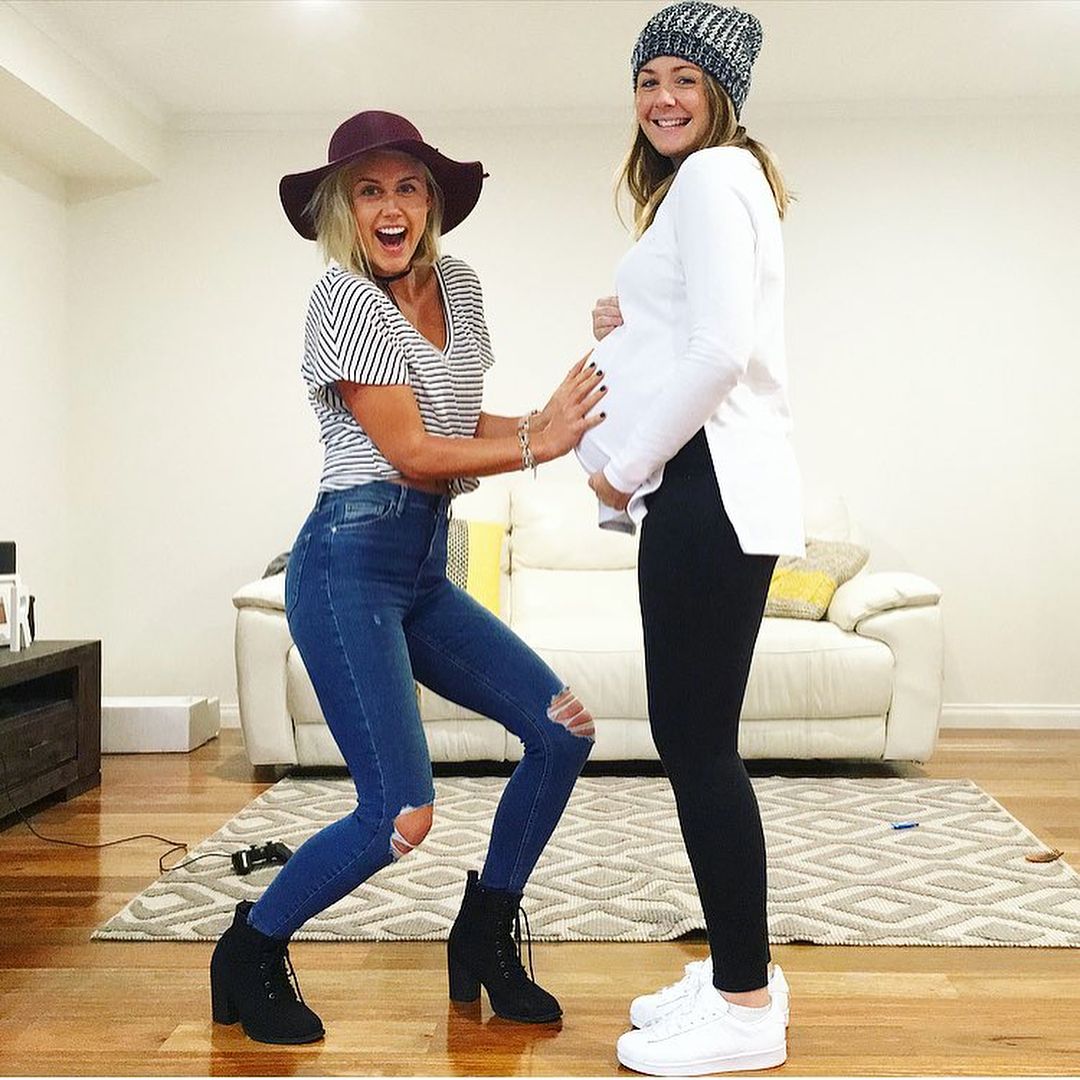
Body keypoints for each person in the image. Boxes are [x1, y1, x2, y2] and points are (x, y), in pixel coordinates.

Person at [210, 110, 606, 1045]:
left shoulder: (460, 287)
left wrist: (556, 416)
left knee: (563, 733)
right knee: (399, 814)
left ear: (431, 203)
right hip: (346, 565)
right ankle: (249, 948)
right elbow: (411, 451)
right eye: (369, 191)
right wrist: (538, 443)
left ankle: (484, 934)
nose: (390, 207)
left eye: (407, 187)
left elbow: (458, 424)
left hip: (423, 565)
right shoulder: (343, 300)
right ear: (343, 211)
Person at [577, 3, 804, 1074]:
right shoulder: (710, 187)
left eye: (685, 79)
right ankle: (734, 976)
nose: (663, 98)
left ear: (722, 95)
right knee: (698, 740)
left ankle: (747, 1007)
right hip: (711, 490)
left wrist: (619, 470)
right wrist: (628, 322)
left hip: (705, 489)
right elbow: (703, 335)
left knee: (697, 745)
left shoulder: (713, 176)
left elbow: (717, 353)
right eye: (648, 79)